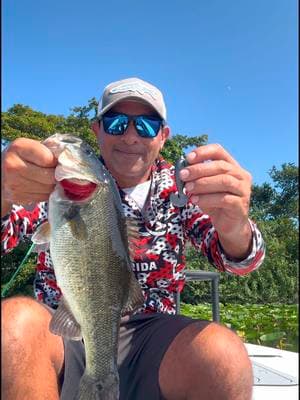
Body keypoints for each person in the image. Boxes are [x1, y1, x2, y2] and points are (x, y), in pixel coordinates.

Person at [1, 77, 265, 400]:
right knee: (12, 328)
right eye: (116, 122)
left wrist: (236, 225)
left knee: (224, 358)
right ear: (97, 129)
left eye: (146, 125)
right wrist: (3, 192)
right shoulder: (58, 181)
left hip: (152, 340)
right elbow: (7, 233)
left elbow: (237, 261)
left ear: (163, 137)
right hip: (64, 331)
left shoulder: (182, 189)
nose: (130, 136)